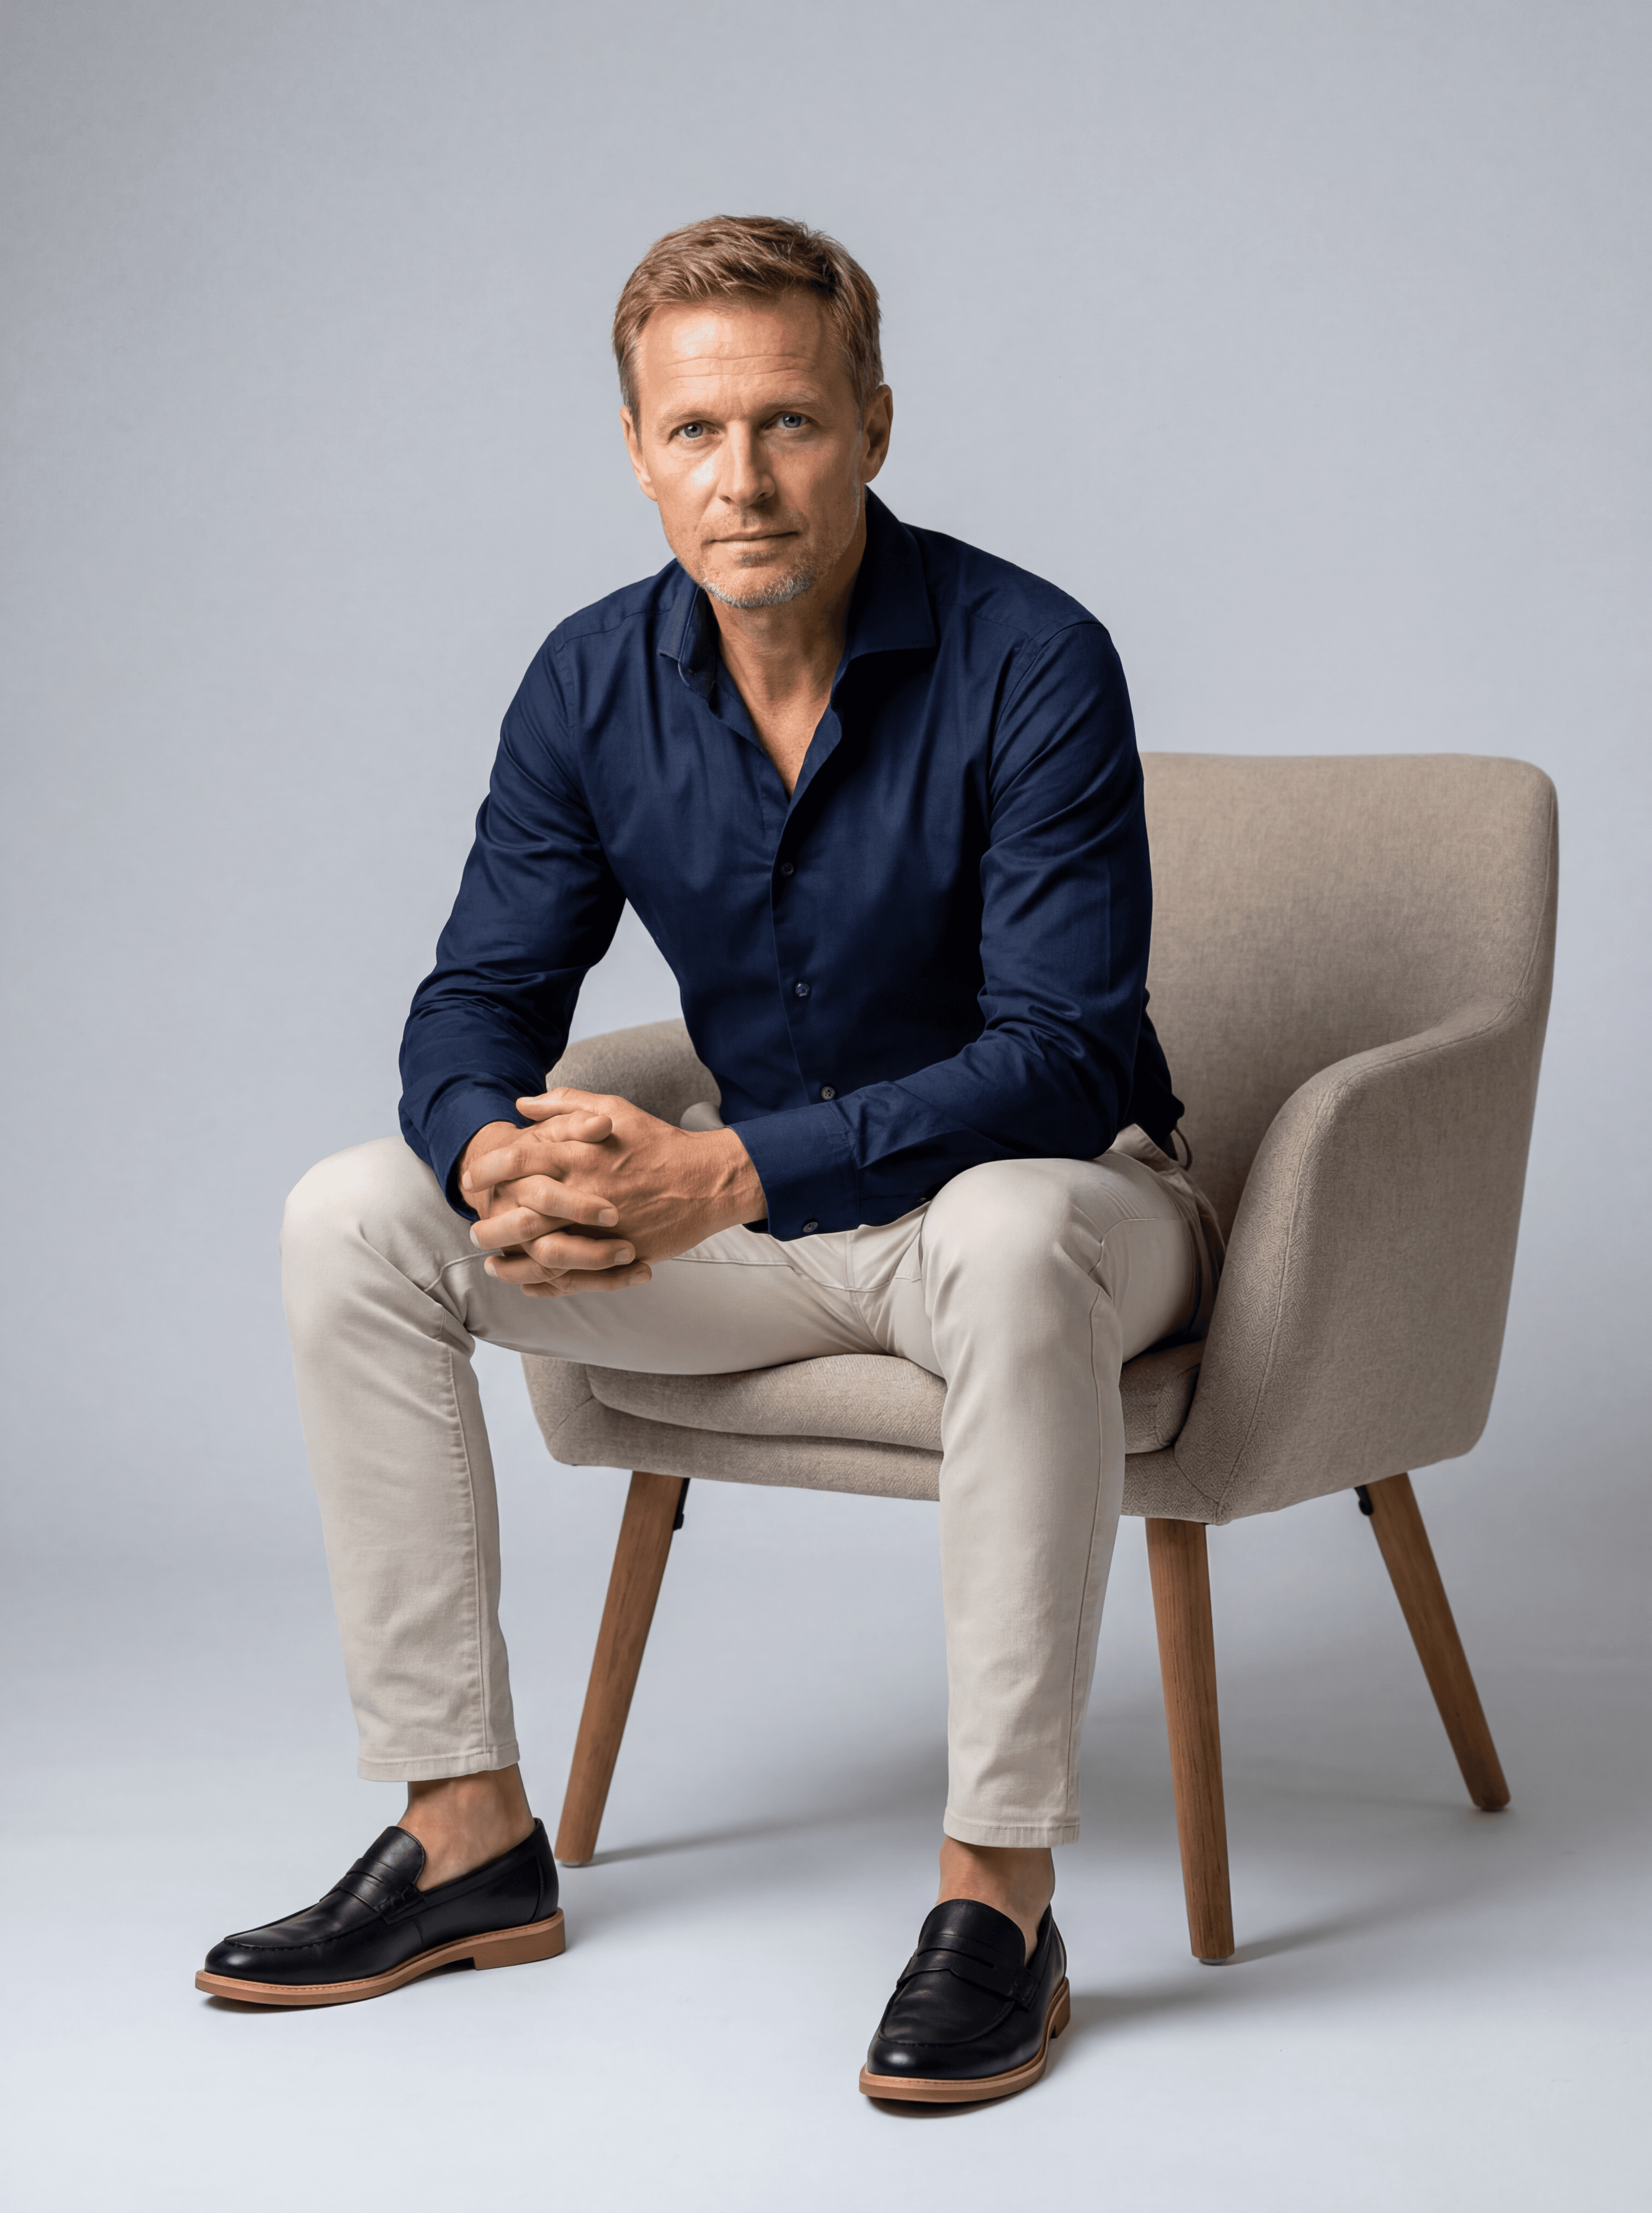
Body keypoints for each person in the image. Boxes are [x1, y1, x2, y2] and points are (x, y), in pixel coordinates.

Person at [196, 214, 1221, 2104]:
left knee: (1002, 1234)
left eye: (789, 425)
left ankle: (995, 1898)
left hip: (1059, 1208)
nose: (739, 480)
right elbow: (469, 1001)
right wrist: (497, 1157)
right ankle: (464, 1837)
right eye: (692, 432)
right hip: (755, 1237)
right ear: (636, 448)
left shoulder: (1032, 656)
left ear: (876, 425)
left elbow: (1065, 1054)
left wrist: (718, 1171)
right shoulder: (589, 681)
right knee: (353, 1212)